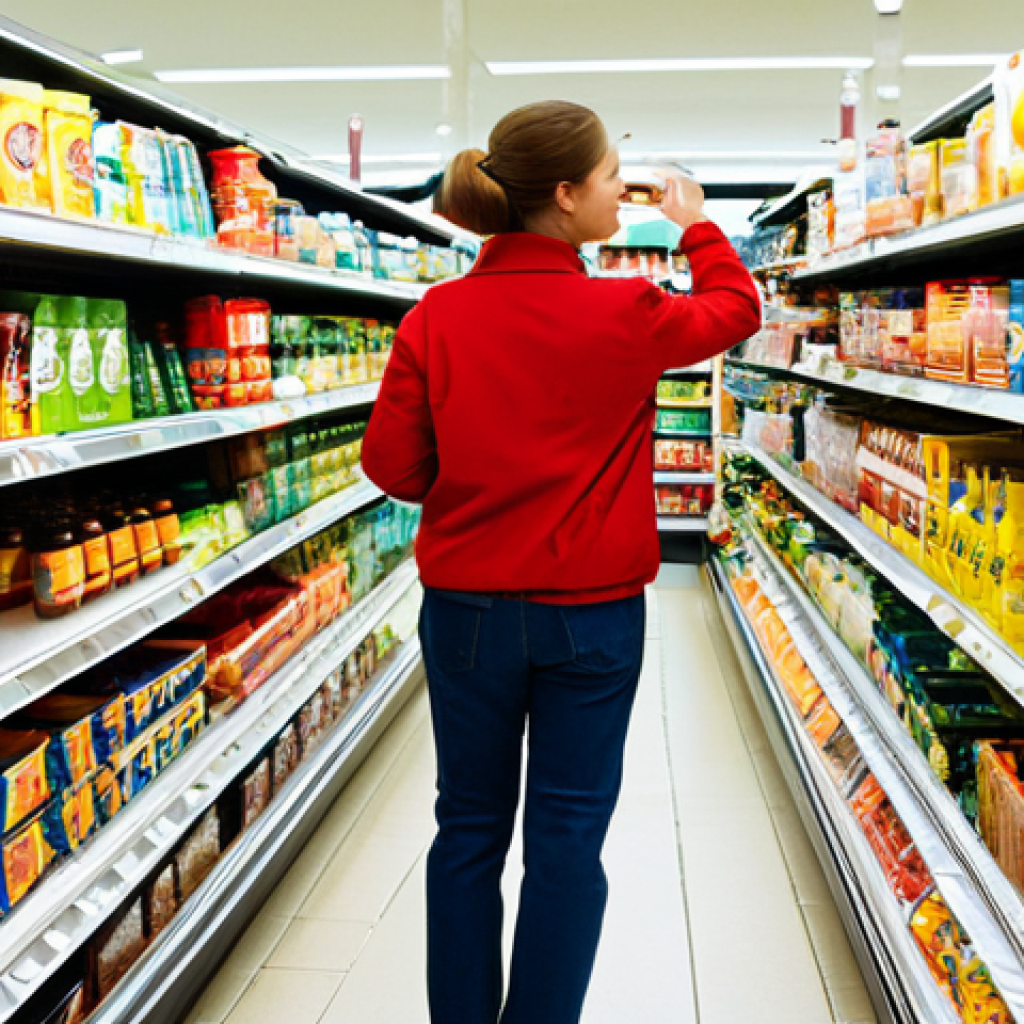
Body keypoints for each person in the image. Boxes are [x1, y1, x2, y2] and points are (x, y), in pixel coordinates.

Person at [361, 100, 760, 1024]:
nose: (627, 183)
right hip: (594, 618)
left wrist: (472, 483)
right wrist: (695, 222)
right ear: (568, 194)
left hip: (466, 614)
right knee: (568, 841)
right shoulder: (628, 308)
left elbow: (391, 466)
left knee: (465, 831)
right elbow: (736, 308)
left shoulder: (437, 317)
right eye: (614, 169)